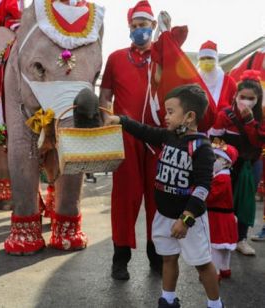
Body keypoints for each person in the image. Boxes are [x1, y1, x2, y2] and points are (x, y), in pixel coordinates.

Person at [107, 84, 222, 308]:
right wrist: (120, 120)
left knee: (202, 263)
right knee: (168, 258)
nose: (165, 117)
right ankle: (168, 300)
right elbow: (144, 131)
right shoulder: (168, 137)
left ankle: (215, 304)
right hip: (164, 216)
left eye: (170, 112)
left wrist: (187, 218)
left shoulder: (202, 148)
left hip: (190, 221)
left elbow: (202, 187)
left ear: (189, 116)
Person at [99, 0, 166, 280]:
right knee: (124, 199)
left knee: (158, 198)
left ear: (153, 27)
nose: (140, 30)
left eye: (145, 26)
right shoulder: (115, 58)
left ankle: (157, 255)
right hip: (125, 137)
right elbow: (104, 96)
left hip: (157, 139)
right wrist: (105, 124)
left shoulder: (163, 57)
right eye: (135, 26)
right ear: (130, 28)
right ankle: (120, 258)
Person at [210, 69, 264, 256]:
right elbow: (213, 140)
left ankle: (241, 239)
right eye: (243, 97)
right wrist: (225, 154)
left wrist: (249, 120)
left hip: (251, 164)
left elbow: (259, 141)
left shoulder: (261, 117)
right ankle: (221, 237)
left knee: (246, 201)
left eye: (251, 98)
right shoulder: (225, 114)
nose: (246, 101)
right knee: (225, 200)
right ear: (235, 95)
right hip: (227, 164)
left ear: (258, 99)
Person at [206, 143, 239, 280]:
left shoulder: (221, 179)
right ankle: (225, 269)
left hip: (218, 217)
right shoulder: (224, 177)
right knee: (225, 247)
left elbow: (210, 197)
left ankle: (215, 273)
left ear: (226, 162)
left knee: (216, 246)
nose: (213, 160)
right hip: (225, 216)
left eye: (217, 157)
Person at [197, 40, 237, 112]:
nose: (206, 61)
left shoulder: (228, 82)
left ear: (216, 59)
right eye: (202, 59)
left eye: (209, 58)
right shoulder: (195, 81)